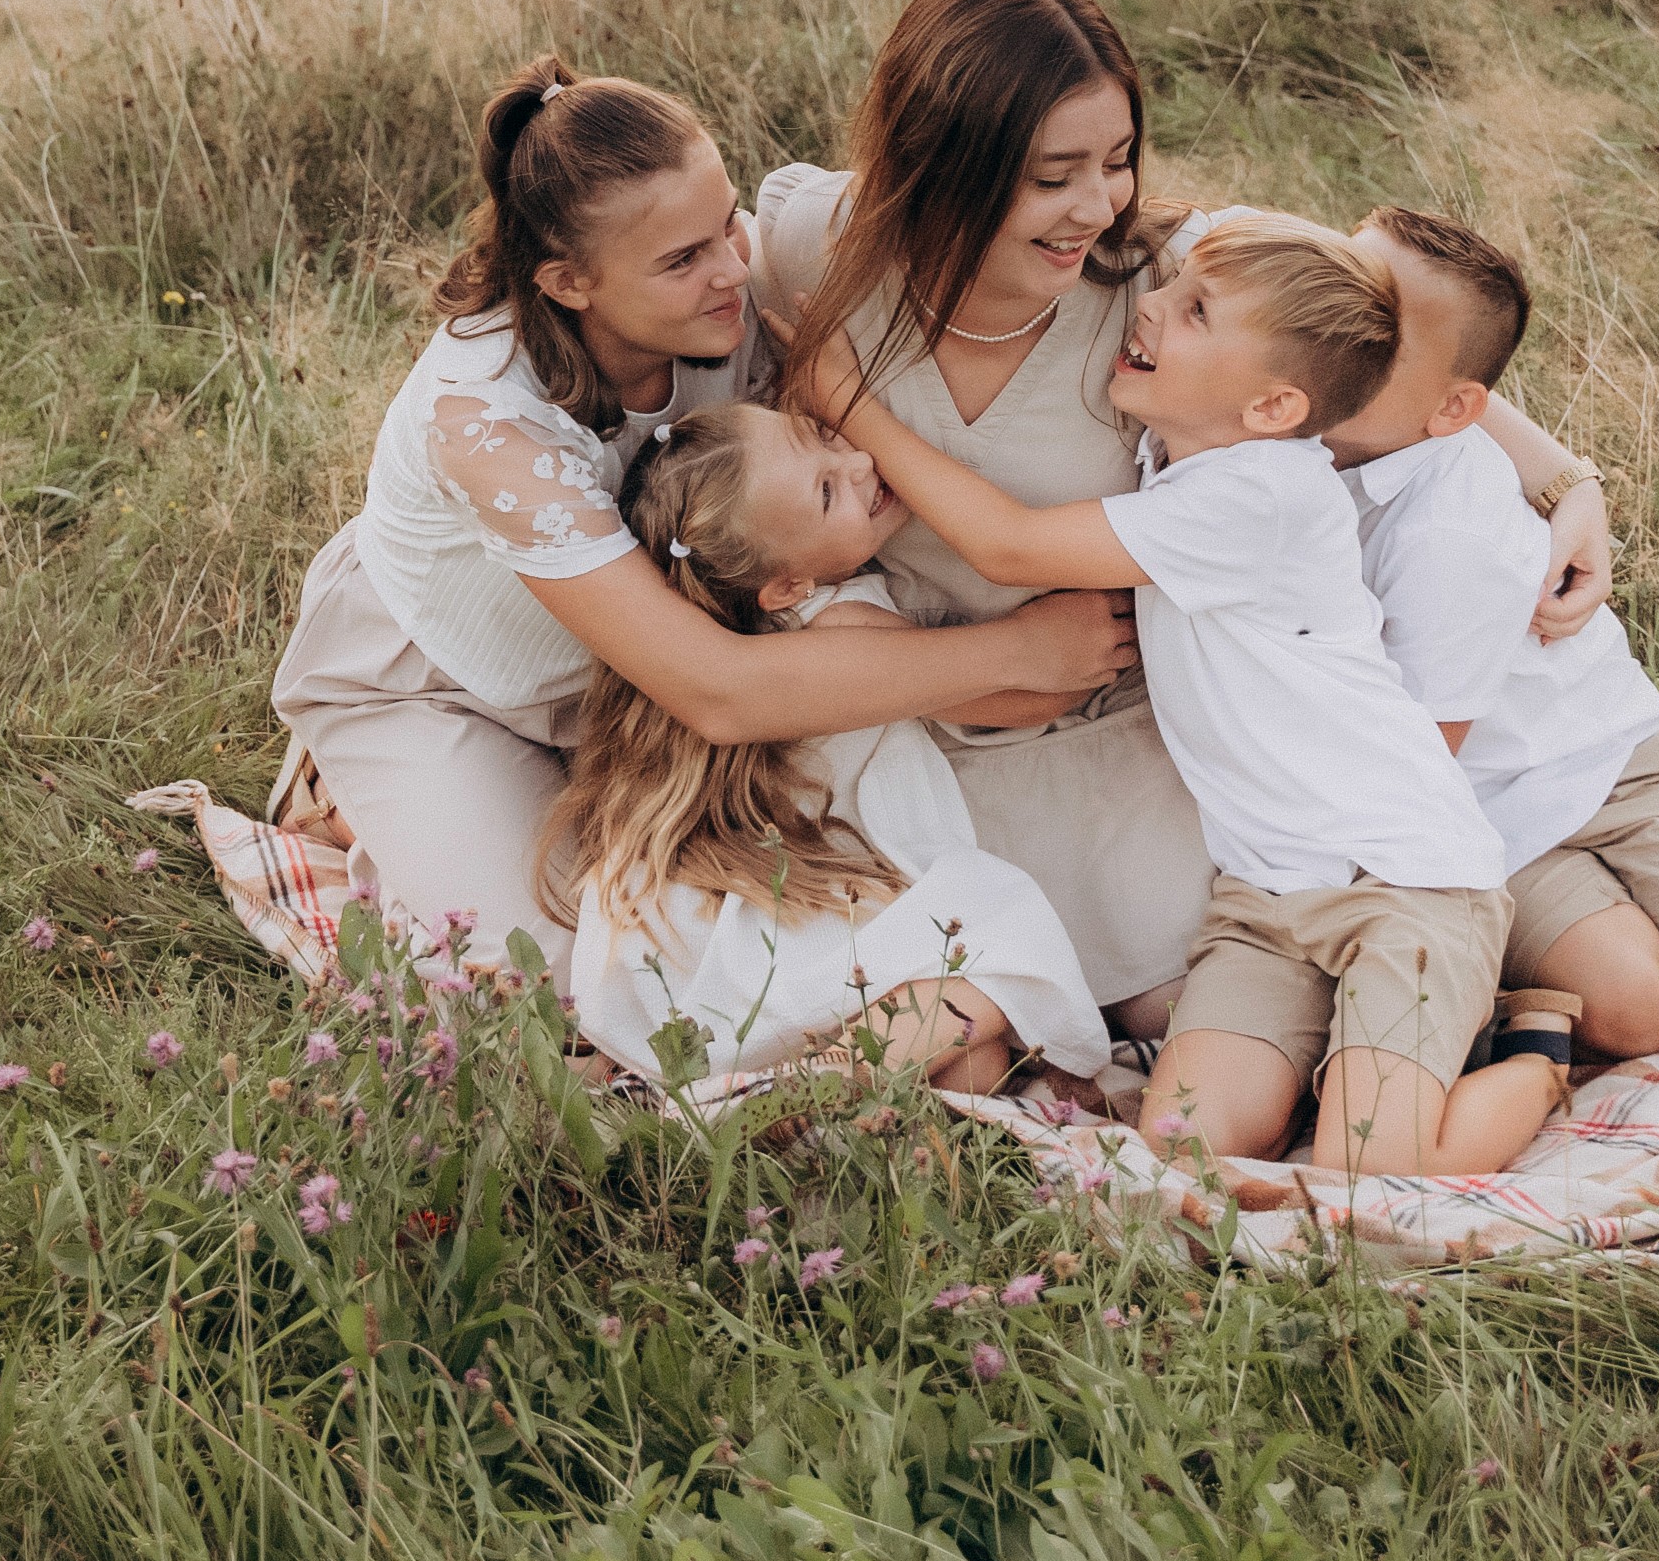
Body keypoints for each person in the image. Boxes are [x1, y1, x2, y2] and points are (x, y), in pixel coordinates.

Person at [746, 0, 1626, 1018]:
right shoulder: (821, 255)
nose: (1096, 203)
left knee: (1209, 1006)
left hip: (1120, 721)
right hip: (909, 707)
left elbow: (1383, 345)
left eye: (1116, 160)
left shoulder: (1168, 280)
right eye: (1053, 174)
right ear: (945, 164)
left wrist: (1563, 475)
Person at [262, 56, 1139, 994]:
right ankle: (346, 786)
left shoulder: (737, 285)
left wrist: (1142, 230)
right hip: (446, 678)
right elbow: (719, 689)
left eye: (726, 223)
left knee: (793, 934)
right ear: (567, 281)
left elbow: (936, 204)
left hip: (641, 696)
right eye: (683, 260)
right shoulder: (484, 416)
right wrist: (1018, 652)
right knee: (557, 984)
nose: (732, 269)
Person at [834, 215, 1538, 1182]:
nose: (1151, 305)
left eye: (1194, 310)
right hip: (1266, 896)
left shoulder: (1262, 498)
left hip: (1405, 881)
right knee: (1180, 1145)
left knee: (1371, 1162)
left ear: (1273, 407)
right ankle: (1384, 1058)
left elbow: (1006, 545)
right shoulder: (1185, 458)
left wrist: (846, 399)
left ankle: (1540, 1057)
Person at [1330, 205, 1659, 1063]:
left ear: (1454, 405)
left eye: (1381, 337)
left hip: (1610, 756)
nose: (1340, 332)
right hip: (1489, 811)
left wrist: (1572, 483)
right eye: (1337, 296)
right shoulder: (1276, 420)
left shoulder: (1450, 513)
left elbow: (1418, 750)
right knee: (1629, 1014)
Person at [540, 404, 1116, 1096]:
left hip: (712, 944)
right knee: (998, 961)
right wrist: (1084, 633)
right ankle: (805, 1090)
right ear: (787, 586)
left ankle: (802, 1106)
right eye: (826, 492)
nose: (860, 464)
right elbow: (1019, 696)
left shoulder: (725, 644)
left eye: (823, 439)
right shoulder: (843, 626)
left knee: (975, 1062)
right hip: (788, 935)